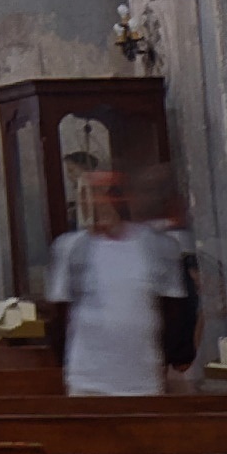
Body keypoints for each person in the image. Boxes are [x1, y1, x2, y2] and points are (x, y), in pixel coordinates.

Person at [42, 168, 182, 397]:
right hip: (89, 379)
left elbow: (172, 310)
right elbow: (60, 313)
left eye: (109, 194)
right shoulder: (71, 248)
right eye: (93, 195)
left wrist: (168, 361)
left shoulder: (155, 247)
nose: (102, 203)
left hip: (141, 379)